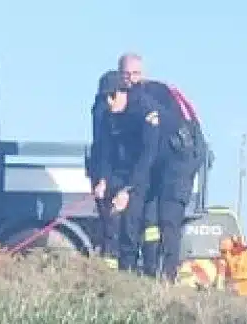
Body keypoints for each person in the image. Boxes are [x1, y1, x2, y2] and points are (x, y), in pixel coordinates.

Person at [102, 64, 207, 280]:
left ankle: (168, 277)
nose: (108, 102)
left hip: (179, 160)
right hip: (158, 164)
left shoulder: (145, 109)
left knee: (168, 218)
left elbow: (146, 155)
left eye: (112, 96)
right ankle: (146, 273)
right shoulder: (121, 113)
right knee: (146, 217)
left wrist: (127, 190)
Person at [85, 70, 127, 265]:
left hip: (116, 175)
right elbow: (104, 147)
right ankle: (111, 263)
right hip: (107, 173)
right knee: (110, 223)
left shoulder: (132, 110)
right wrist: (102, 179)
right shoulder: (103, 113)